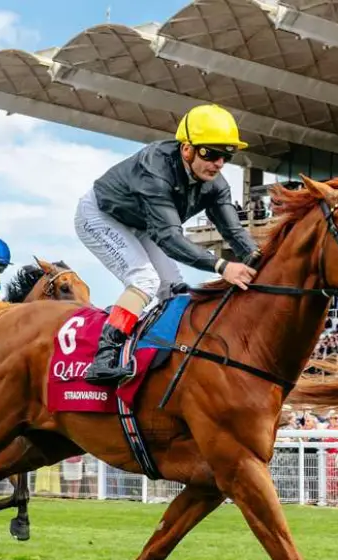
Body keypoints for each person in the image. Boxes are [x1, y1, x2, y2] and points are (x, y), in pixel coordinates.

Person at [74, 104, 260, 385]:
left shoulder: (216, 184)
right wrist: (221, 266)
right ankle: (105, 357)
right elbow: (170, 238)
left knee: (174, 289)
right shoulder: (155, 169)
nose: (219, 164)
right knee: (144, 280)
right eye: (211, 154)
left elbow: (233, 231)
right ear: (187, 149)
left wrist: (259, 259)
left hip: (144, 224)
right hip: (101, 215)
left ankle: (164, 354)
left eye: (226, 156)